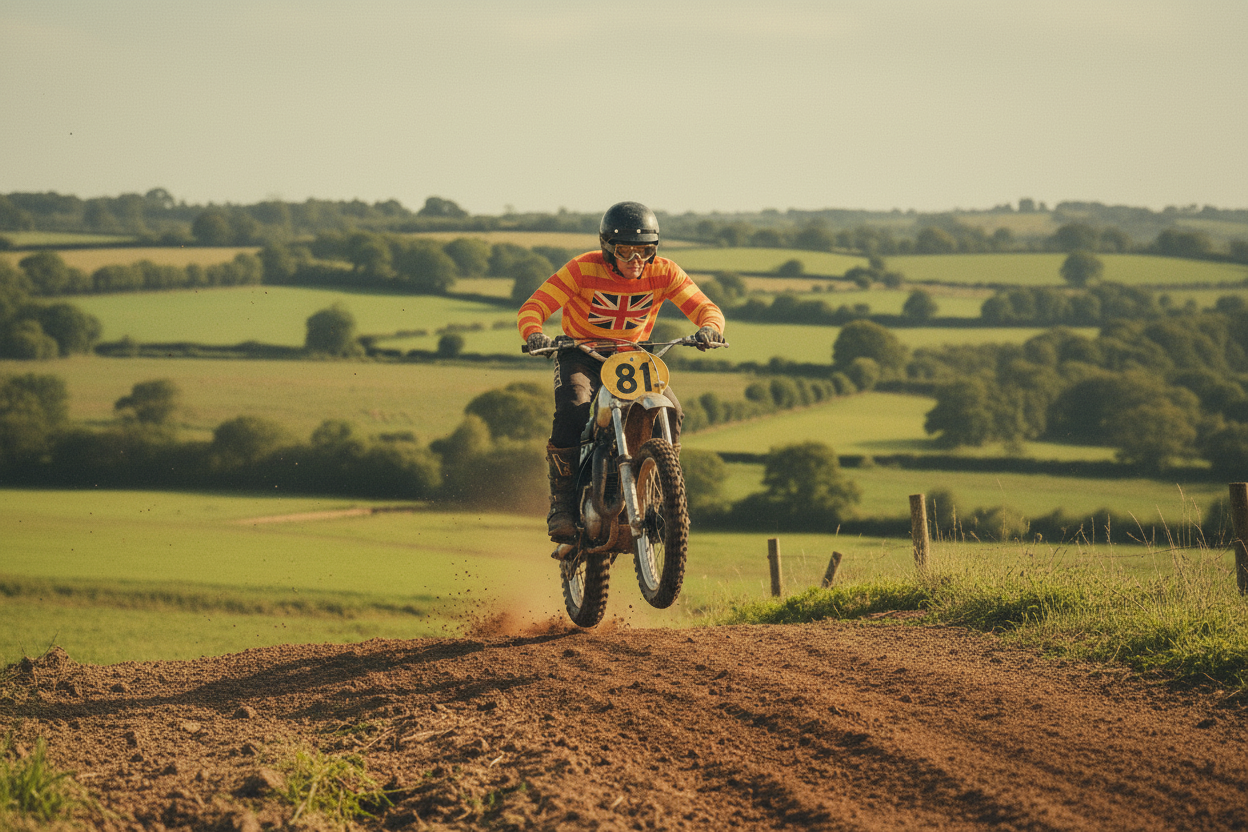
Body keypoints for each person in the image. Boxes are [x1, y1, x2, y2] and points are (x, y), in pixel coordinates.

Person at [517, 200, 726, 541]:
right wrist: (536, 334)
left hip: (632, 355)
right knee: (572, 410)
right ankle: (563, 505)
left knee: (671, 412)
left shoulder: (666, 272)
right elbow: (534, 307)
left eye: (644, 251)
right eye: (626, 250)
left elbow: (705, 306)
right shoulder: (581, 268)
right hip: (580, 352)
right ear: (608, 248)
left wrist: (710, 327)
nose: (635, 260)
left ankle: (661, 498)